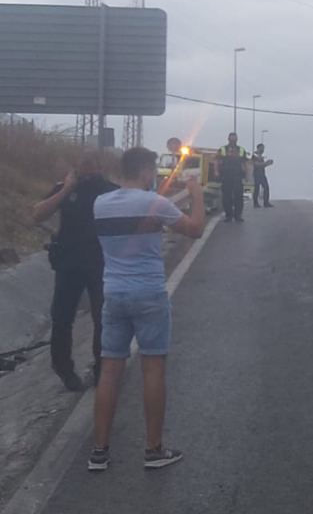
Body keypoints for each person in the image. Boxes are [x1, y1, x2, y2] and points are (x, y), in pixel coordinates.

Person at [89, 147, 206, 472]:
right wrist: (195, 194)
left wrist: (172, 200)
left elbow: (147, 217)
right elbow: (195, 228)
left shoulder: (101, 204)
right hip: (149, 295)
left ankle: (99, 452)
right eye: (152, 171)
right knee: (153, 369)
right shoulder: (153, 203)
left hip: (113, 294)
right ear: (144, 171)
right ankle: (153, 450)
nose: (153, 176)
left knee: (110, 371)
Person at [31, 152, 119, 391]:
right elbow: (37, 215)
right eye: (82, 165)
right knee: (61, 318)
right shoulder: (65, 188)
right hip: (69, 263)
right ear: (75, 167)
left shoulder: (111, 190)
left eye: (91, 164)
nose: (87, 169)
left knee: (103, 319)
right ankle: (64, 370)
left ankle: (101, 371)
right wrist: (66, 189)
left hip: (100, 263)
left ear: (100, 166)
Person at [214, 132, 250, 222]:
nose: (233, 140)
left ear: (237, 139)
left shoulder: (241, 150)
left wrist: (247, 175)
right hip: (226, 176)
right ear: (228, 139)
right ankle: (228, 216)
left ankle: (238, 216)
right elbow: (216, 161)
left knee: (238, 196)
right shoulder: (223, 149)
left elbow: (245, 163)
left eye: (234, 138)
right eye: (231, 138)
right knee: (226, 196)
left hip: (237, 176)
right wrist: (216, 171)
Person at [251, 143, 273, 209]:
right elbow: (256, 165)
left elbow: (261, 165)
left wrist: (267, 163)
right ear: (258, 148)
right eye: (262, 148)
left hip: (262, 174)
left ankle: (266, 202)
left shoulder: (260, 156)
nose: (263, 150)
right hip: (256, 174)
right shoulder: (254, 155)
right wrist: (266, 163)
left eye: (263, 148)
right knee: (256, 189)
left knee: (266, 187)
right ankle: (256, 203)